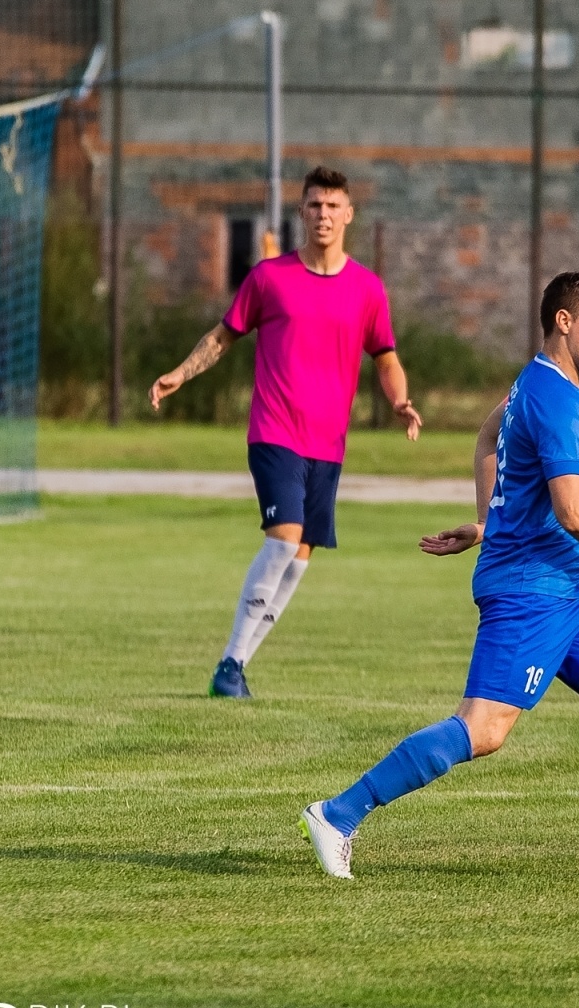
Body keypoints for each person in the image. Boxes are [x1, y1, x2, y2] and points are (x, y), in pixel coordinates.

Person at [299, 272, 579, 882]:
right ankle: (338, 814)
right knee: (484, 729)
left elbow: (488, 437)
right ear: (565, 322)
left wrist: (487, 522)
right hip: (531, 590)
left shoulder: (534, 383)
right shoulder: (559, 401)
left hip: (561, 593)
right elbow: (575, 513)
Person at [148, 166, 423, 698]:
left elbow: (386, 356)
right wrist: (181, 372)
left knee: (299, 560)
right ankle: (229, 664)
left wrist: (400, 401)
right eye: (314, 205)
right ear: (302, 213)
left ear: (349, 214)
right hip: (274, 432)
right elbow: (223, 336)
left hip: (328, 444)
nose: (323, 214)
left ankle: (235, 667)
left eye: (332, 206)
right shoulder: (270, 278)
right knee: (284, 541)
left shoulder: (367, 289)